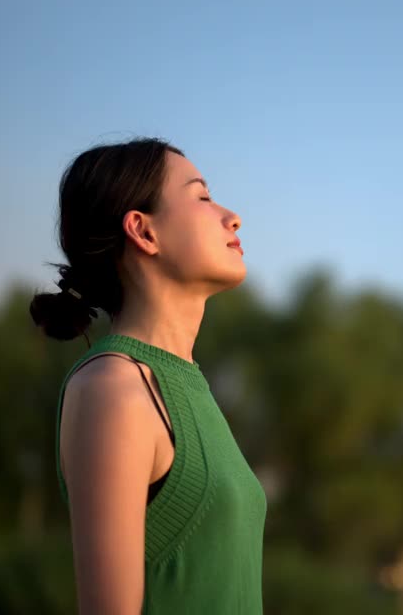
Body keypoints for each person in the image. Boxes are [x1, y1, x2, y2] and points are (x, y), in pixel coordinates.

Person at [29, 138, 266, 613]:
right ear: (143, 231)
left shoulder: (186, 385)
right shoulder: (112, 389)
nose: (232, 215)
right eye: (201, 197)